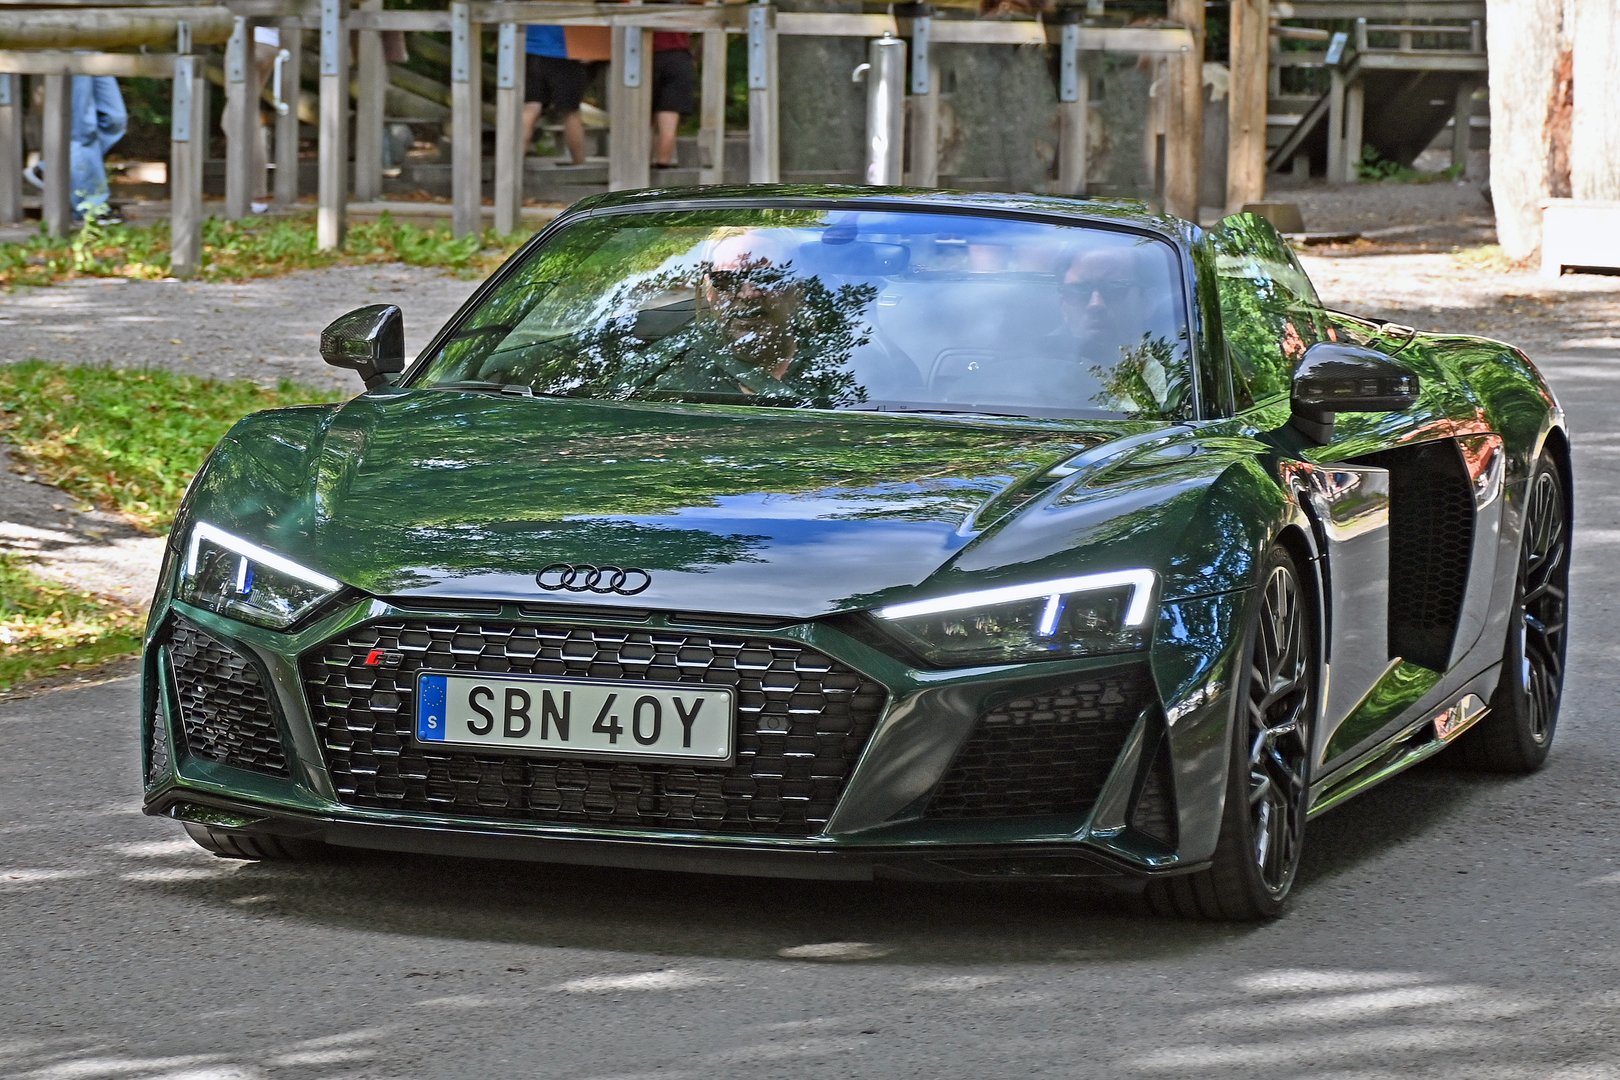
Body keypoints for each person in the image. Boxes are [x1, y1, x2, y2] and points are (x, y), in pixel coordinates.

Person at [25, 75, 127, 225]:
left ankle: (51, 169)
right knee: (82, 130)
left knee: (115, 120)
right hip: (71, 53)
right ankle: (91, 207)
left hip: (97, 53)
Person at [521, 25, 592, 166]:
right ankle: (580, 166)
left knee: (531, 107)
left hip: (531, 48)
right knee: (570, 112)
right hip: (567, 50)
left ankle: (510, 166)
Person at [650, 31, 696, 169]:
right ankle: (662, 164)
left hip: (644, 53)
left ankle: (645, 164)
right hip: (678, 57)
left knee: (643, 122)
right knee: (668, 121)